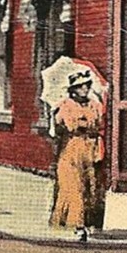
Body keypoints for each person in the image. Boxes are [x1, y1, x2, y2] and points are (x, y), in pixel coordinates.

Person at [51, 69, 106, 239]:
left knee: (91, 187)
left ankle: (90, 223)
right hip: (72, 149)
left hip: (91, 149)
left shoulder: (95, 104)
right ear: (72, 90)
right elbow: (67, 126)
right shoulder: (65, 105)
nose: (84, 90)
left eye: (86, 86)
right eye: (79, 87)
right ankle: (78, 225)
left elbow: (99, 123)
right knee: (75, 188)